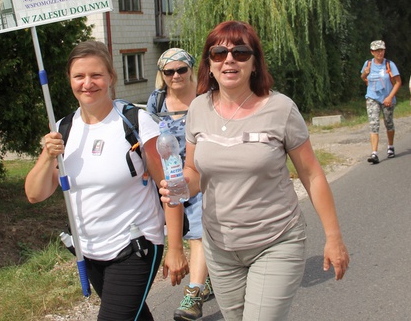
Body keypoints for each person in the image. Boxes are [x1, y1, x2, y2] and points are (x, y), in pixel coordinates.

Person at [161, 20, 349, 321]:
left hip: (275, 241)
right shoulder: (197, 109)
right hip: (220, 248)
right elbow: (194, 173)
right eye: (219, 53)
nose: (229, 59)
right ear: (209, 64)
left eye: (241, 52)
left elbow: (312, 175)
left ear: (255, 63)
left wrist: (334, 237)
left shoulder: (280, 109)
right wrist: (179, 186)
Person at [25, 41, 188, 321]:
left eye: (96, 75)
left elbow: (171, 186)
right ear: (70, 80)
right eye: (79, 76)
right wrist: (45, 155)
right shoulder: (63, 128)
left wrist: (175, 247)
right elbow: (35, 195)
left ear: (111, 77)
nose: (87, 83)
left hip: (136, 246)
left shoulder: (135, 122)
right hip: (89, 251)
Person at [146, 48, 213, 321]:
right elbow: (149, 138)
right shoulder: (156, 101)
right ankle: (205, 278)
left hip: (198, 174)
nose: (175, 76)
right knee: (178, 232)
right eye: (169, 71)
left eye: (181, 70)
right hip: (167, 177)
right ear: (162, 75)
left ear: (190, 70)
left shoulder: (204, 99)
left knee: (197, 232)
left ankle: (193, 296)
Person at [361, 40, 402, 163]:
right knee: (374, 124)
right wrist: (364, 74)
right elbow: (363, 78)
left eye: (382, 50)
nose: (380, 53)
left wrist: (390, 97)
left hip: (387, 98)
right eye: (377, 51)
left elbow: (398, 82)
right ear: (372, 52)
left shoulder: (389, 64)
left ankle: (390, 146)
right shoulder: (368, 64)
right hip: (372, 97)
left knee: (388, 123)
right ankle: (374, 153)